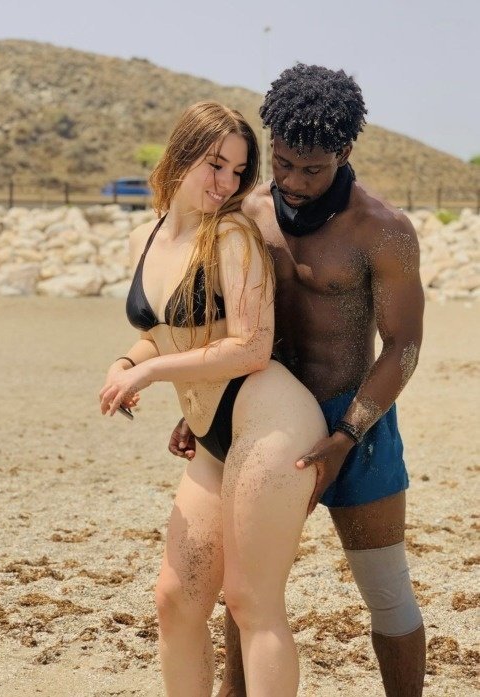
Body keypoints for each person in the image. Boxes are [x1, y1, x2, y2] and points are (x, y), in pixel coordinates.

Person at [170, 65, 426, 697]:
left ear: (345, 151)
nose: (293, 181)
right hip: (262, 413)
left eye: (312, 169)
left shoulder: (383, 229)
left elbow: (404, 346)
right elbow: (231, 325)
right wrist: (202, 406)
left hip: (356, 419)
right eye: (283, 163)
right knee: (246, 587)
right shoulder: (248, 211)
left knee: (387, 591)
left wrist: (345, 436)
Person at [99, 101, 327, 696]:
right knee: (175, 598)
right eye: (214, 164)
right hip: (211, 437)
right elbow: (161, 332)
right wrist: (129, 362)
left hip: (270, 420)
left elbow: (251, 347)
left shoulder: (230, 236)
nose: (225, 182)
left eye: (237, 171)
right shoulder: (144, 238)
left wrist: (152, 374)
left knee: (252, 602)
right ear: (180, 154)